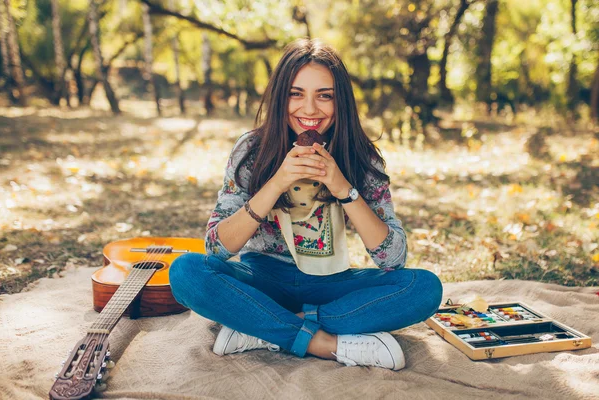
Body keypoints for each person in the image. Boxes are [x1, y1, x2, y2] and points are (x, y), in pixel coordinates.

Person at [169, 38, 443, 371]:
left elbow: (393, 257)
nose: (309, 110)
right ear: (279, 97)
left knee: (424, 288)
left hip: (332, 283)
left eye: (323, 95)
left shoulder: (361, 156)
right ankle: (321, 342)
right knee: (186, 272)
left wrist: (343, 187)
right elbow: (216, 249)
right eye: (296, 94)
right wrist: (277, 183)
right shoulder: (251, 151)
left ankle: (263, 328)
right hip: (263, 279)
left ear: (339, 101)